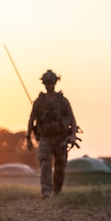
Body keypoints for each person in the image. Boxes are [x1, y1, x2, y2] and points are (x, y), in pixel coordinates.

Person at [26, 70, 78, 198]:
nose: (49, 85)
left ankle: (57, 191)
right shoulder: (39, 102)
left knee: (60, 166)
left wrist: (72, 135)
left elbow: (72, 118)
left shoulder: (63, 101)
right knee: (45, 164)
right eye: (47, 83)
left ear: (55, 83)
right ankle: (46, 191)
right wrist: (28, 137)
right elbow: (31, 119)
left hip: (61, 137)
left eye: (51, 82)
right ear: (44, 84)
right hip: (45, 138)